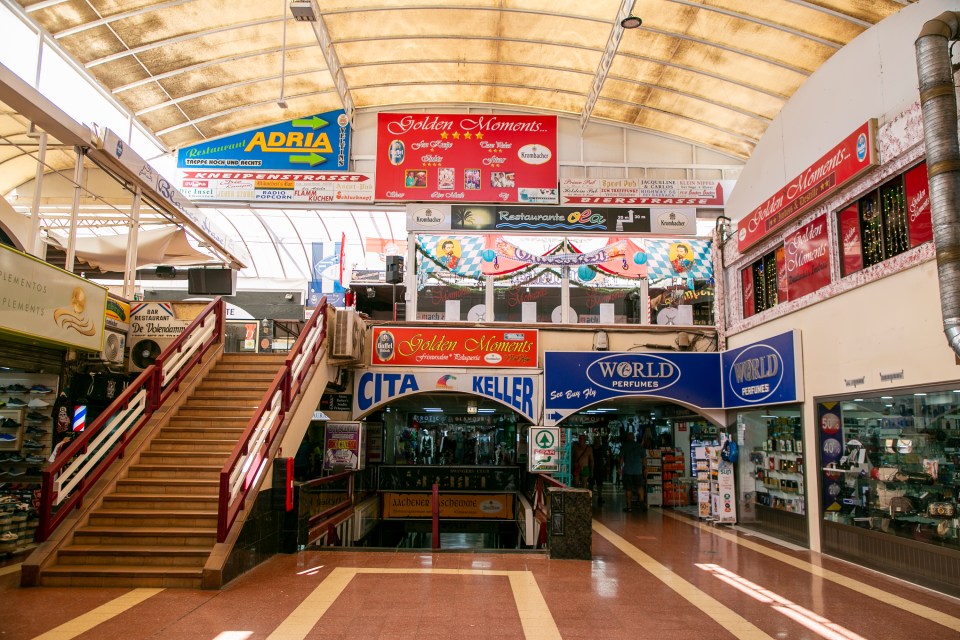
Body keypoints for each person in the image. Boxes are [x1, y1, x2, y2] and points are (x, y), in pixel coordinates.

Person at [619, 431, 645, 511]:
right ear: (634, 437)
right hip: (638, 470)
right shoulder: (639, 446)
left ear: (627, 438)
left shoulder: (624, 446)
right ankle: (641, 505)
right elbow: (644, 458)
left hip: (628, 471)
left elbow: (621, 459)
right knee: (640, 487)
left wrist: (619, 468)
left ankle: (629, 507)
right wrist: (645, 468)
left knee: (628, 489)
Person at [592, 435, 610, 504]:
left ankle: (600, 497)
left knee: (599, 484)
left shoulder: (602, 448)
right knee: (592, 483)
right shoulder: (591, 448)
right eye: (596, 439)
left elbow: (607, 457)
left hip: (599, 467)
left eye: (598, 439)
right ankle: (591, 497)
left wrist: (608, 466)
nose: (597, 441)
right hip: (593, 467)